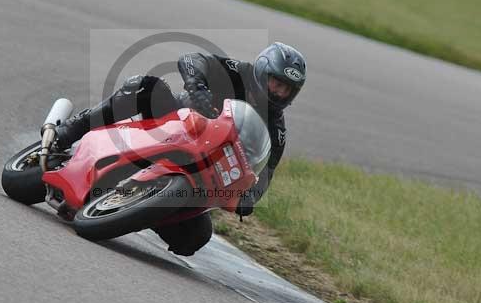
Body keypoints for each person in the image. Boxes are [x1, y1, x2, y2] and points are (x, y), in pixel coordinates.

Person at [53, 42, 306, 256]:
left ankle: (138, 208)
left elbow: (265, 176)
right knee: (146, 85)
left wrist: (248, 198)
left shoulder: (277, 132)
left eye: (287, 89)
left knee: (195, 237)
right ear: (262, 71)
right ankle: (70, 132)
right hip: (176, 122)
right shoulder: (237, 71)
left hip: (203, 172)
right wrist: (197, 86)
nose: (280, 92)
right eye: (276, 83)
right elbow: (191, 60)